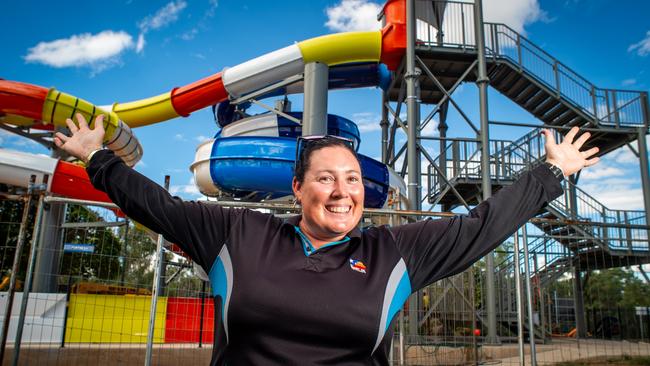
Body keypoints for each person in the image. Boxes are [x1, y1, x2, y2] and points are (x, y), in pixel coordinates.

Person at [55, 113, 599, 365]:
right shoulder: (236, 233)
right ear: (297, 188)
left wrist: (549, 175)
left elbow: (482, 226)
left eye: (353, 179)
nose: (342, 192)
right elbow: (159, 206)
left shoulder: (395, 253)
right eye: (325, 178)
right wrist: (99, 159)